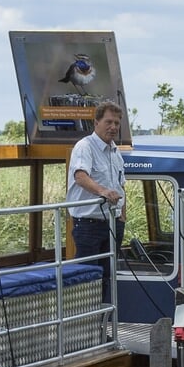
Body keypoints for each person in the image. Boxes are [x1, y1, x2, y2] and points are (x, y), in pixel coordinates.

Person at [66, 102, 127, 302]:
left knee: (106, 278)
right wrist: (103, 191)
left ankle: (101, 328)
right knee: (87, 279)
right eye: (108, 122)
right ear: (96, 122)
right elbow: (81, 176)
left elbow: (121, 185)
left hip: (112, 223)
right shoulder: (85, 147)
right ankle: (86, 328)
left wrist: (122, 217)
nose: (113, 127)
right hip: (89, 225)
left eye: (117, 123)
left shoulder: (115, 152)